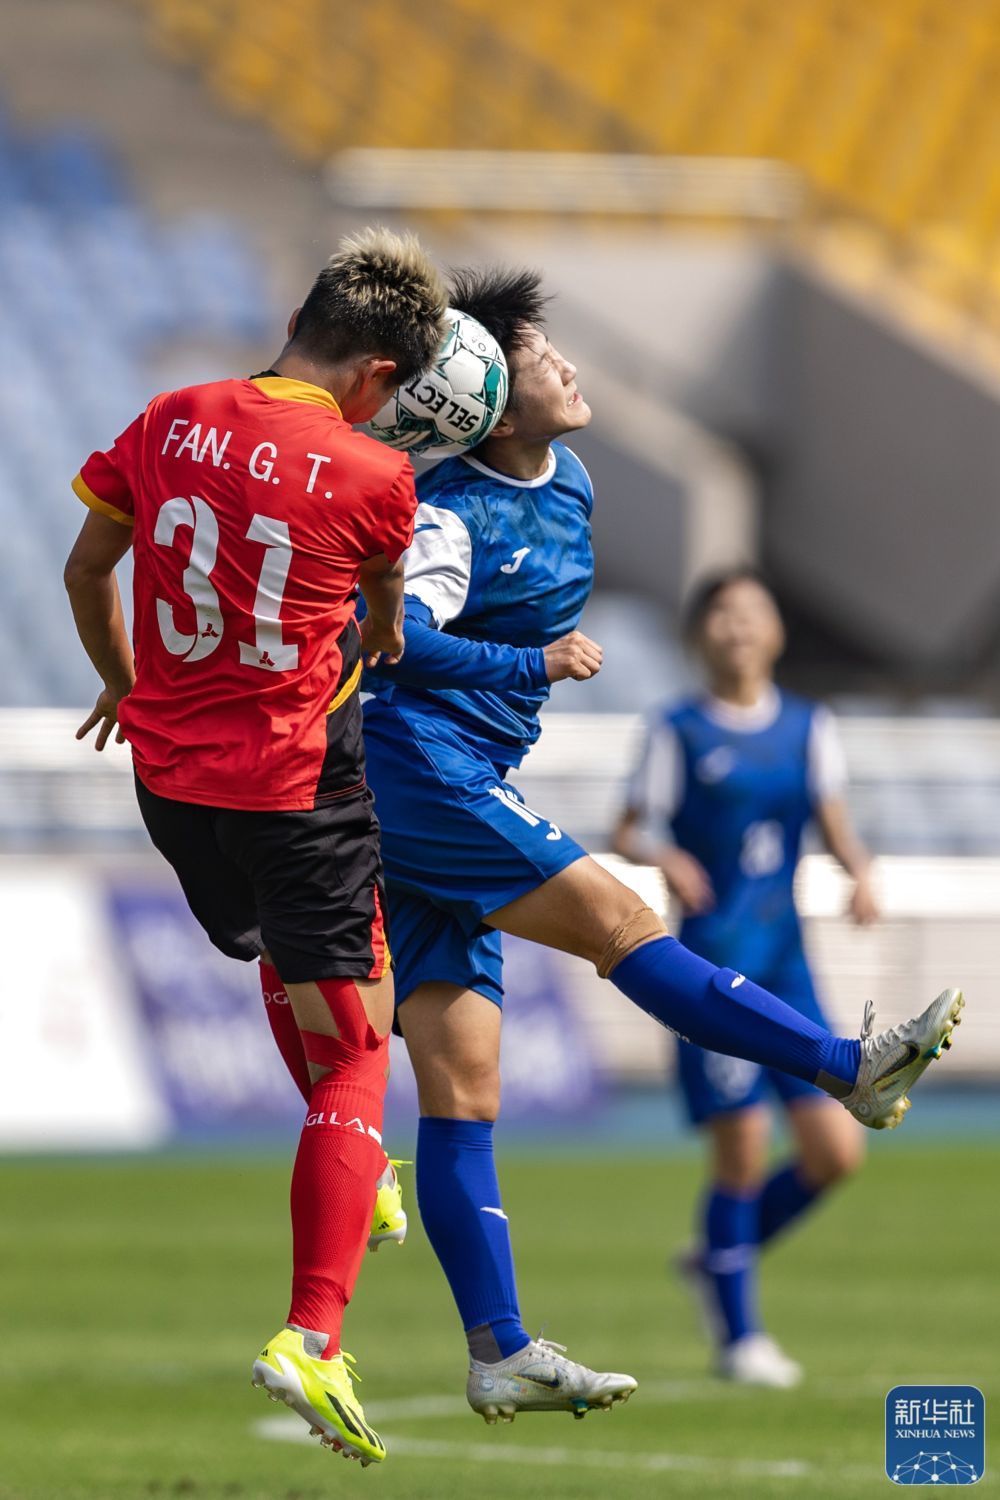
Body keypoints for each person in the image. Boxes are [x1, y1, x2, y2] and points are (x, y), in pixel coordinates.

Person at [358, 267, 963, 1424]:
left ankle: (497, 1346)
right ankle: (847, 1068)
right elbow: (394, 644)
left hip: (456, 781)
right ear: (485, 385)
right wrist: (528, 666)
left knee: (462, 1083)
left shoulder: (574, 484)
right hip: (416, 768)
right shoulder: (446, 511)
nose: (569, 368)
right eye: (540, 356)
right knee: (624, 925)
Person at [63, 227, 447, 1467]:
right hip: (294, 790)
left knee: (294, 986)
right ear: (381, 376)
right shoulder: (374, 473)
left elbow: (86, 566)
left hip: (172, 787)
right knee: (360, 1052)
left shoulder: (170, 417)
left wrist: (128, 688)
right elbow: (385, 602)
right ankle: (311, 1338)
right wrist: (382, 620)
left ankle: (358, 1177)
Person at [614, 569, 877, 1387]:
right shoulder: (679, 729)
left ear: (776, 631)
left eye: (752, 612)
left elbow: (834, 820)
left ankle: (715, 1260)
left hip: (788, 963)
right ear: (701, 634)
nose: (738, 627)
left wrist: (860, 873)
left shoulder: (807, 725)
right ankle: (740, 1339)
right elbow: (626, 827)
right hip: (709, 968)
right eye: (721, 614)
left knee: (837, 1151)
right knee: (743, 1145)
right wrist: (664, 854)